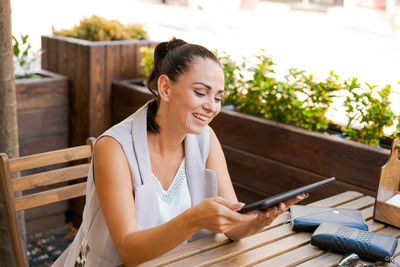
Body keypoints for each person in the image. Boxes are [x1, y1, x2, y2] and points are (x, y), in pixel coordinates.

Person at [52, 38, 307, 267]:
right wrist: (195, 219)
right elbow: (128, 251)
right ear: (165, 88)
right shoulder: (114, 147)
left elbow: (233, 227)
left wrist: (258, 221)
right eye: (200, 92)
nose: (211, 107)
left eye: (218, 98)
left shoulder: (205, 139)